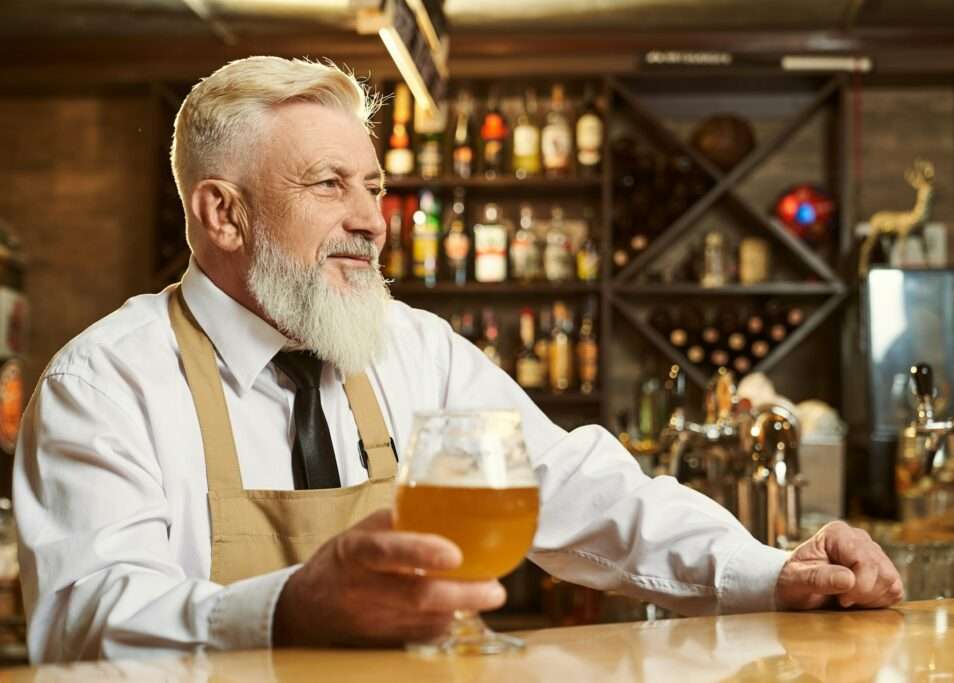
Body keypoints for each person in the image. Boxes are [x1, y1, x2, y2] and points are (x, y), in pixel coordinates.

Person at [14, 56, 902, 663]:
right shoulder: (106, 382)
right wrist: (288, 607)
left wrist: (767, 570)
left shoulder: (413, 346)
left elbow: (585, 490)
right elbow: (84, 618)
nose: (371, 219)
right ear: (222, 214)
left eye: (374, 187)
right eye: (328, 185)